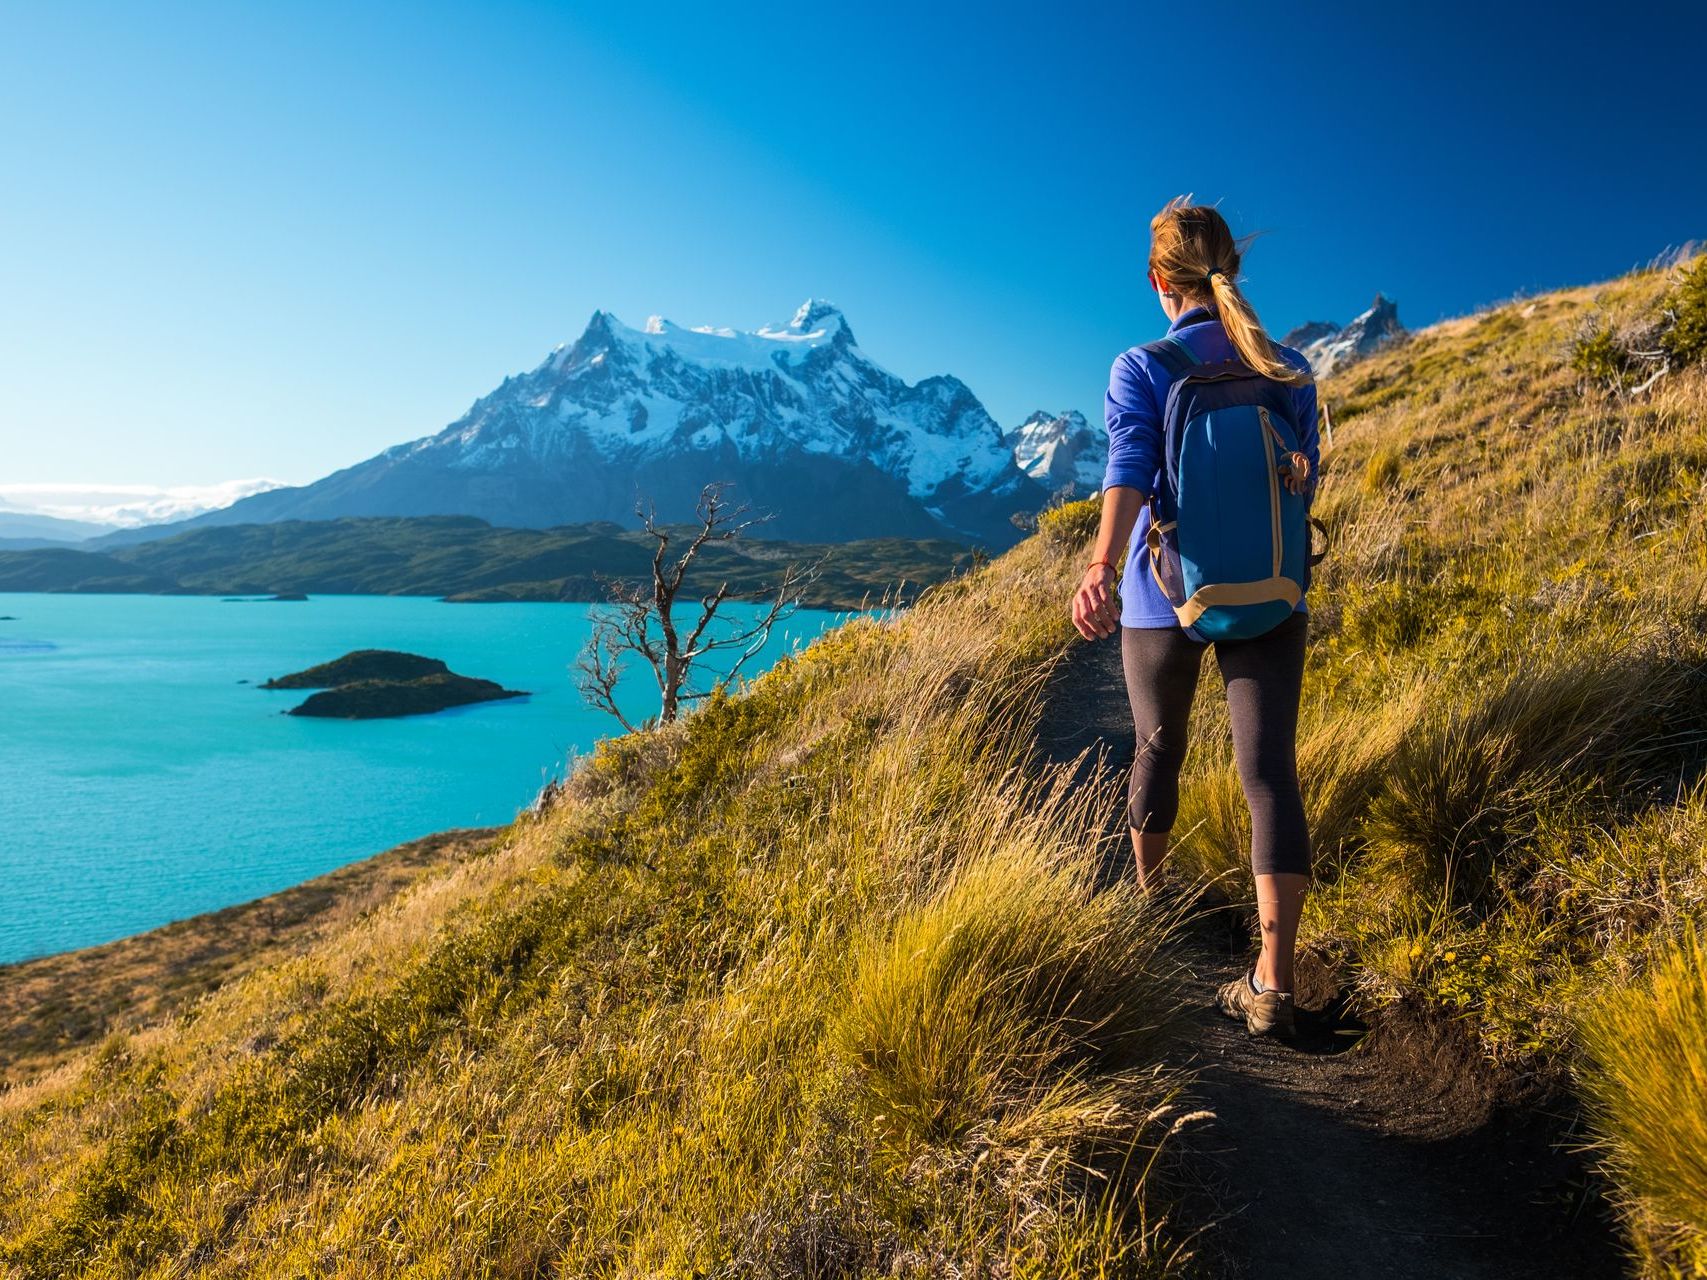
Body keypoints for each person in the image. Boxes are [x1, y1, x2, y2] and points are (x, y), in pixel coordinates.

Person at [1069, 196, 1319, 1038]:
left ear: (1156, 279)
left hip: (1159, 594)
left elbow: (1129, 466)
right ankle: (1272, 983)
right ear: (1231, 270)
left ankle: (1150, 906)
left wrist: (1101, 564)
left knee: (1156, 745)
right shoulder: (1289, 368)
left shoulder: (1141, 365)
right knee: (1268, 773)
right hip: (1274, 594)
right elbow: (1302, 479)